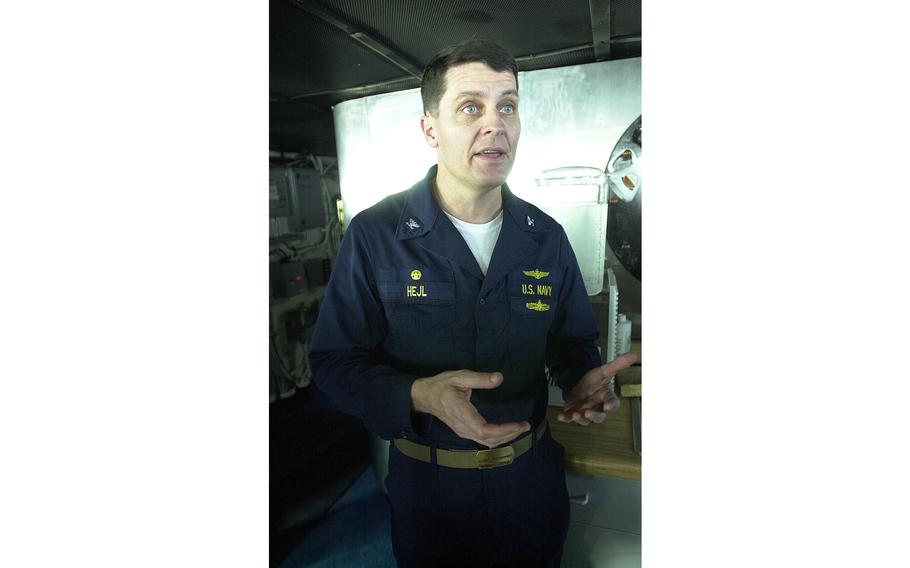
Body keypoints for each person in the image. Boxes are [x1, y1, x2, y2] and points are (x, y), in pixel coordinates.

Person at [309, 39, 637, 568]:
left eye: (507, 105)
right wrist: (417, 394)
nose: (495, 123)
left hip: (530, 486)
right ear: (430, 129)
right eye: (470, 107)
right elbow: (331, 363)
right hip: (431, 494)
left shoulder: (545, 238)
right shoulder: (377, 234)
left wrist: (580, 378)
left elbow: (572, 341)